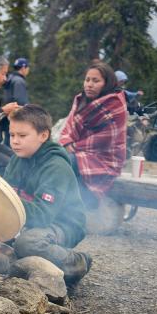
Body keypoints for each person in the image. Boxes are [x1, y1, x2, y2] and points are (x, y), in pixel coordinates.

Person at [4, 105, 91, 286]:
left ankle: (78, 261)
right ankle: (12, 258)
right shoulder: (16, 159)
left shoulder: (55, 167)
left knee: (28, 243)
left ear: (43, 135)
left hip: (62, 223)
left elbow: (41, 215)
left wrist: (3, 202)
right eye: (12, 135)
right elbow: (6, 195)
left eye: (22, 136)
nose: (15, 141)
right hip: (28, 218)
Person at [59, 61, 127, 209]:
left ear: (107, 83)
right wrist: (66, 143)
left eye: (96, 81)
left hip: (105, 157)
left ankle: (79, 204)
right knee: (55, 156)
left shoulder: (115, 104)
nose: (89, 84)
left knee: (67, 161)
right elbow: (68, 126)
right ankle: (61, 203)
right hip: (78, 150)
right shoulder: (80, 100)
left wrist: (74, 146)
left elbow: (105, 139)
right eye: (87, 79)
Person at [0, 57, 30, 146]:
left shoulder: (9, 79)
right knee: (14, 142)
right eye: (28, 68)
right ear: (24, 68)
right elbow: (21, 100)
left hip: (7, 115)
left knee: (8, 139)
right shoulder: (19, 81)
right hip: (16, 116)